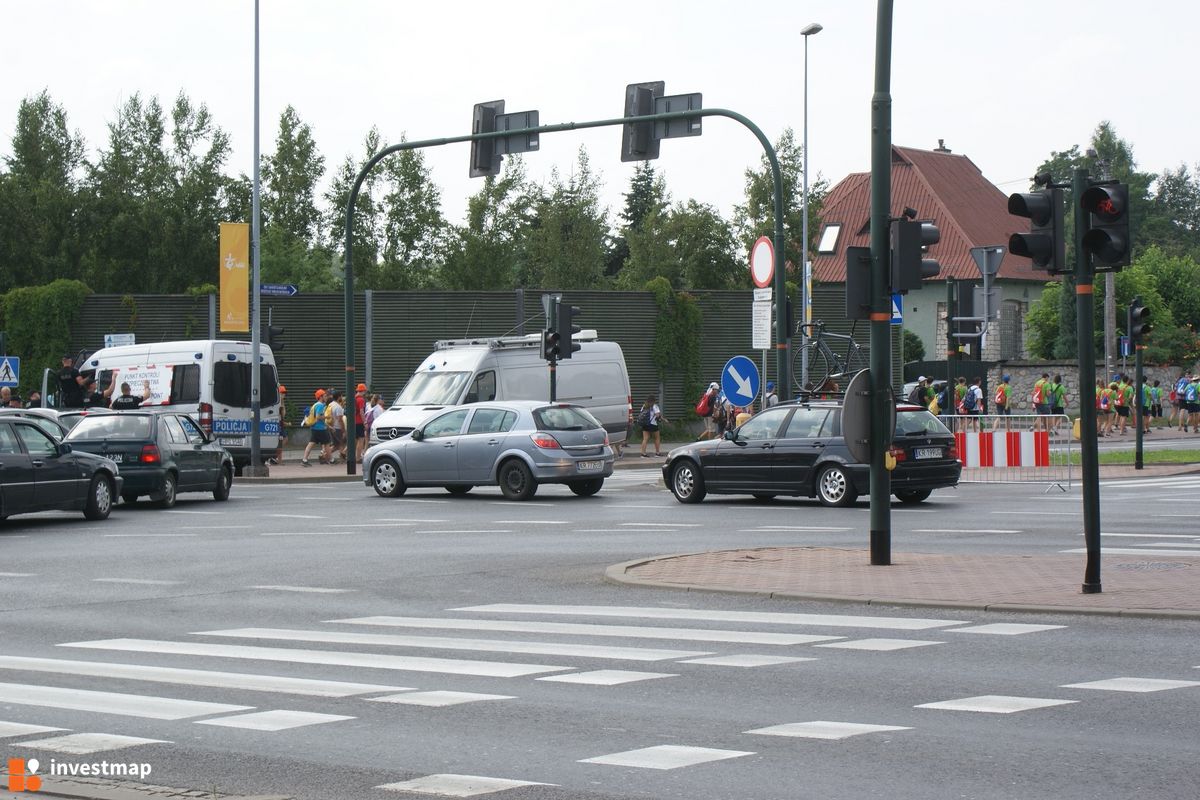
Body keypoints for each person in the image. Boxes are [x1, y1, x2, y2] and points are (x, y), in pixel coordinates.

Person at [301, 389, 331, 466]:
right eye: (325, 396)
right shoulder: (320, 405)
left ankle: (304, 460)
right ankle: (331, 459)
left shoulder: (315, 404)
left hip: (314, 427)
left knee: (310, 444)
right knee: (327, 443)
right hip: (320, 428)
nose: (326, 397)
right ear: (320, 397)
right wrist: (327, 416)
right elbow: (318, 417)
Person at [269, 385, 290, 465]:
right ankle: (274, 457)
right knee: (282, 441)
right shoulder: (278, 403)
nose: (284, 395)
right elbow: (279, 416)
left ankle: (276, 458)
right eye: (282, 393)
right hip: (278, 425)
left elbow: (282, 416)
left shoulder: (281, 402)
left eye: (284, 393)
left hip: (280, 424)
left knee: (282, 441)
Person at [326, 390, 347, 462]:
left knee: (337, 445)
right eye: (341, 396)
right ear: (338, 397)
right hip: (337, 428)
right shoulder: (338, 407)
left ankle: (325, 455)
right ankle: (325, 456)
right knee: (340, 444)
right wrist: (343, 430)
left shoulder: (330, 404)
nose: (342, 397)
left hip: (331, 426)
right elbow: (340, 420)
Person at [354, 383, 369, 461]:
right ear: (363, 391)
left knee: (355, 440)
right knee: (361, 440)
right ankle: (358, 457)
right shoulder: (361, 399)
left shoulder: (354, 398)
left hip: (353, 422)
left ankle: (345, 452)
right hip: (359, 422)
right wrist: (365, 422)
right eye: (365, 391)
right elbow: (361, 411)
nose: (365, 393)